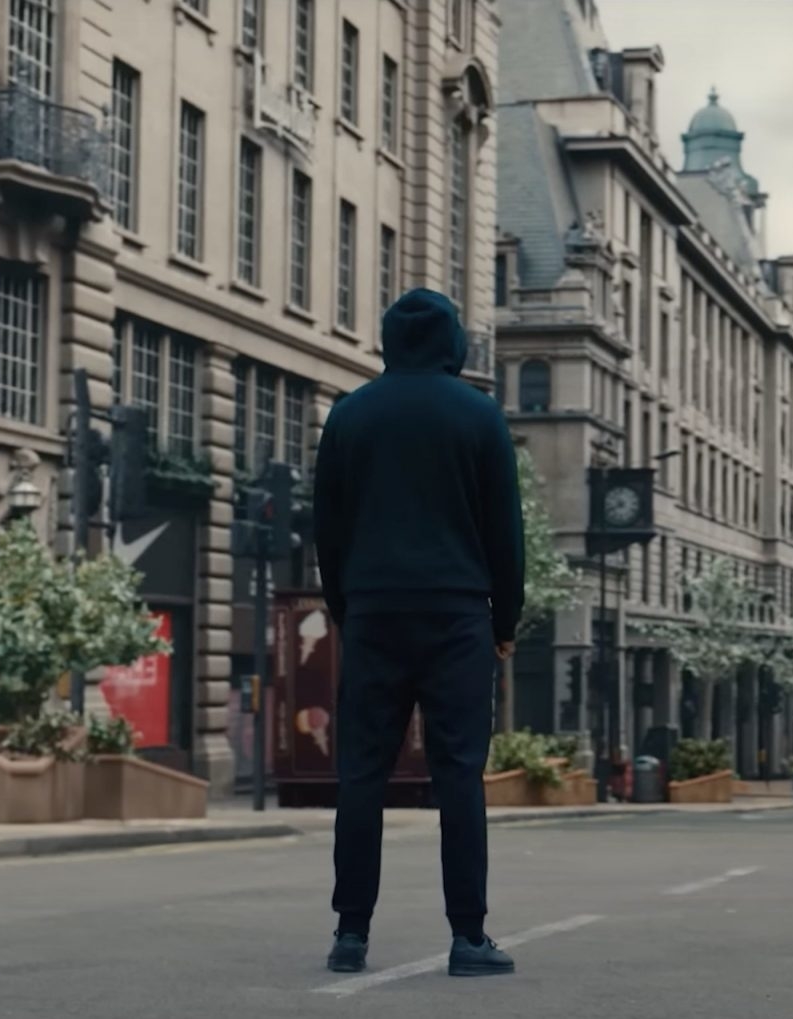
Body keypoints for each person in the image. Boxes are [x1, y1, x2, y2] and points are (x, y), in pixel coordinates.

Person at [313, 288, 525, 978]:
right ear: (453, 342)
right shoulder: (479, 415)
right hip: (458, 612)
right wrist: (504, 621)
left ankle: (350, 933)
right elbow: (505, 531)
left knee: (362, 774)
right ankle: (468, 937)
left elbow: (328, 528)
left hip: (374, 609)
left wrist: (348, 606)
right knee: (459, 772)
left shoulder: (349, 415)